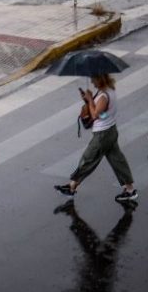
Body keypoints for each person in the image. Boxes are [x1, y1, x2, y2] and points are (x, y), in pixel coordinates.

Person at [54, 73, 138, 203]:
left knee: (87, 159)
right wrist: (88, 100)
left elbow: (95, 115)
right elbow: (104, 113)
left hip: (103, 134)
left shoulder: (104, 96)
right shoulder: (109, 90)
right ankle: (130, 190)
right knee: (117, 160)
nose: (92, 82)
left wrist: (90, 99)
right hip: (110, 130)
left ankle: (71, 188)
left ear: (100, 78)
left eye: (94, 79)